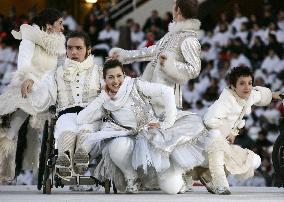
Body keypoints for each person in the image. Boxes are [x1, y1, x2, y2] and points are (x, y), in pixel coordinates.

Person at [77, 59, 211, 194]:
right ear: (104, 79)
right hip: (129, 139)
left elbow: (166, 91)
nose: (116, 81)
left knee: (172, 188)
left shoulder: (135, 85)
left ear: (124, 75)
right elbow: (81, 118)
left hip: (153, 136)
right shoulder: (105, 99)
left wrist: (167, 123)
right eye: (110, 77)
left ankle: (180, 176)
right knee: (116, 146)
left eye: (119, 76)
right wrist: (103, 97)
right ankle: (131, 178)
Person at [21, 31, 103, 178]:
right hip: (66, 114)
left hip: (91, 115)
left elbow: (111, 93)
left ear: (88, 49)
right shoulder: (56, 72)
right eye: (70, 48)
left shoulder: (99, 71)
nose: (73, 52)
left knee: (87, 132)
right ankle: (64, 160)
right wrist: (32, 82)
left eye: (78, 48)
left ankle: (81, 157)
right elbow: (44, 92)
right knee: (66, 132)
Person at [0, 8, 65, 183]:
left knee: (44, 133)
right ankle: (3, 169)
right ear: (49, 25)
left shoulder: (59, 42)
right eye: (59, 23)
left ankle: (42, 174)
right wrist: (28, 78)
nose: (62, 27)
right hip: (29, 85)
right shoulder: (29, 38)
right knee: (11, 131)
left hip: (49, 89)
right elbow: (24, 62)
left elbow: (61, 66)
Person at [109, 0, 201, 111]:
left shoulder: (189, 39)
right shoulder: (171, 35)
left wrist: (169, 64)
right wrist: (124, 55)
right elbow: (152, 52)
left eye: (173, 6)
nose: (171, 9)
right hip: (150, 90)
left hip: (166, 99)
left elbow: (194, 70)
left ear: (178, 11)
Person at [203, 66, 282, 194]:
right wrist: (229, 132)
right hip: (206, 144)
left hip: (222, 145)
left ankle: (209, 178)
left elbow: (259, 95)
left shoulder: (248, 95)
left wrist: (275, 95)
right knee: (216, 135)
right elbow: (208, 121)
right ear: (233, 86)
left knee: (255, 161)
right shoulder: (225, 101)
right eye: (242, 83)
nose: (247, 87)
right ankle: (219, 183)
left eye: (250, 83)